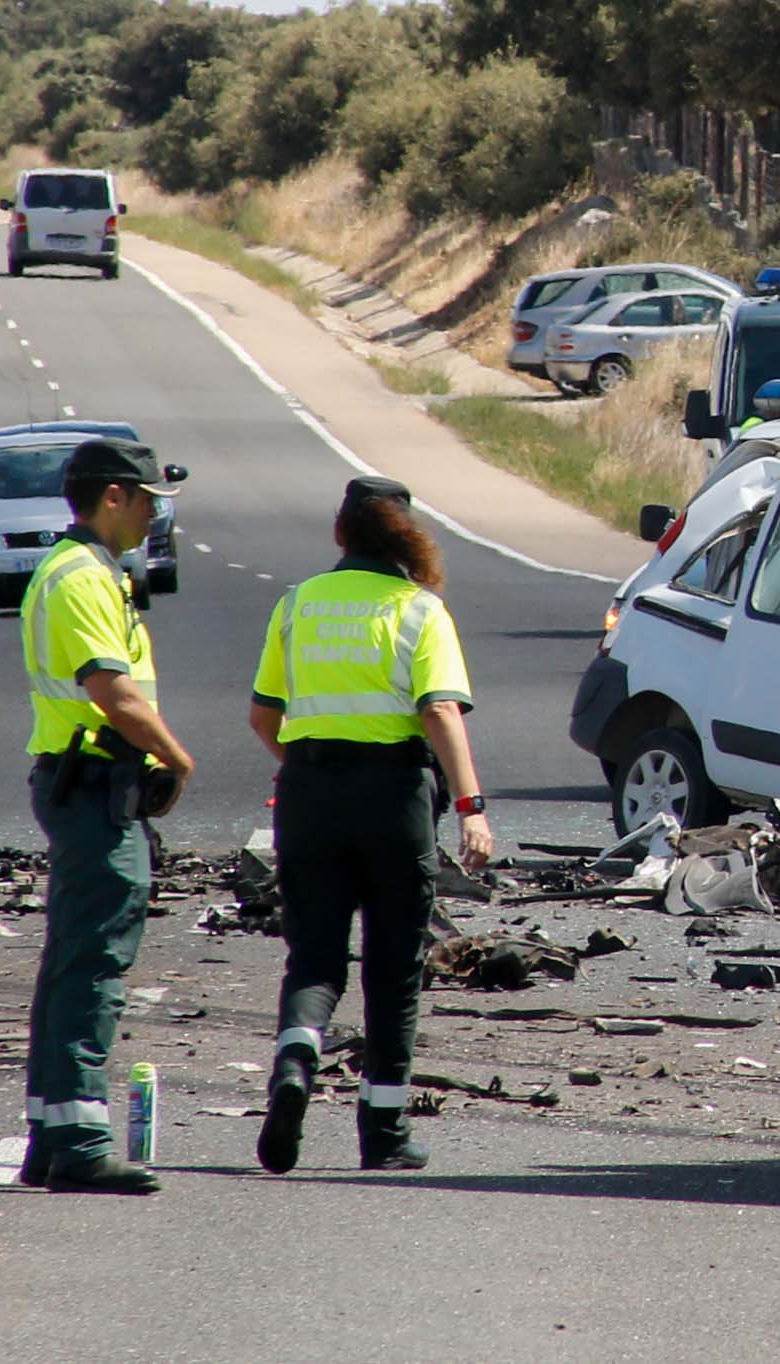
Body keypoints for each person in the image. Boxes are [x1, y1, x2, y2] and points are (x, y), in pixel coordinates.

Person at [248, 476, 494, 1175]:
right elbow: (439, 712)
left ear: (339, 533)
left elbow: (263, 716)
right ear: (408, 537)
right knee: (394, 967)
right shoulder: (419, 610)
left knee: (315, 959)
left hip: (308, 794)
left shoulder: (297, 605)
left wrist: (306, 767)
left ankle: (297, 1058)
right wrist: (472, 807)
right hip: (393, 799)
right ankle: (382, 1132)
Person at [18, 437, 193, 1194]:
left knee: (71, 959)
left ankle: (50, 1134)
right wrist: (177, 759)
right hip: (90, 786)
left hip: (84, 780)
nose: (156, 513)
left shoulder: (84, 570)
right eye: (149, 499)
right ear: (113, 496)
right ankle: (83, 1140)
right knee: (95, 964)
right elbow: (112, 693)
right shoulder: (83, 577)